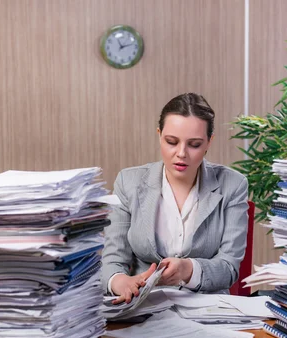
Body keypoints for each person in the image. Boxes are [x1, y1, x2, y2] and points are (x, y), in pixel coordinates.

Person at [102, 93, 249, 304]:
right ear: (159, 135)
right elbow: (112, 260)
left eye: (194, 144)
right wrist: (120, 282)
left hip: (206, 310)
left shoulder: (233, 185)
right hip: (142, 307)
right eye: (171, 142)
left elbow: (229, 268)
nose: (181, 153)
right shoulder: (128, 182)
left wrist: (188, 270)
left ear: (209, 142)